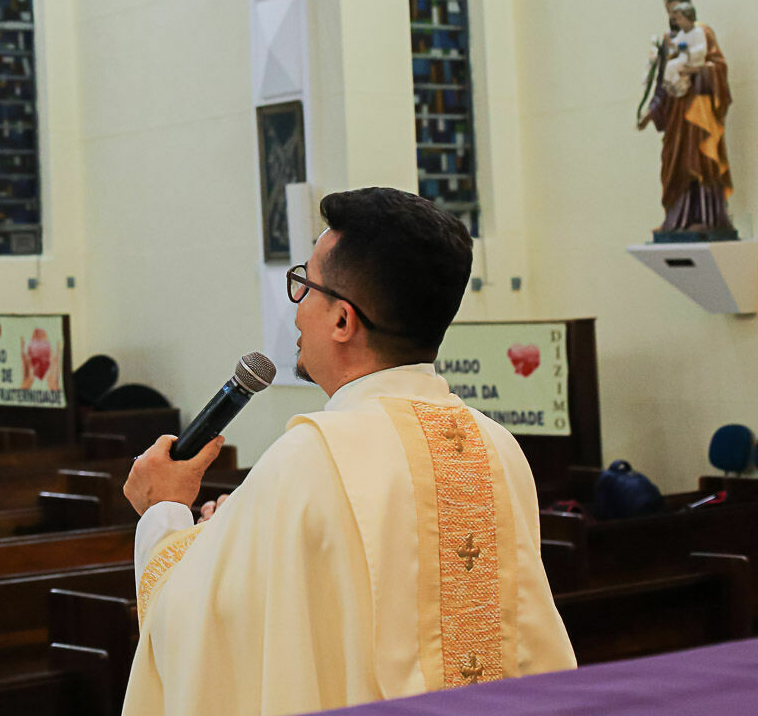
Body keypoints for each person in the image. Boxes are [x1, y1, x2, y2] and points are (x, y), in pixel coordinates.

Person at [119, 187, 575, 716]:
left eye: (304, 286)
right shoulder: (494, 446)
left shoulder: (307, 460)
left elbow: (190, 631)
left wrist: (163, 512)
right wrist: (238, 534)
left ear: (342, 321)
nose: (295, 312)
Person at [637, 0, 735, 236]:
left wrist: (695, 72)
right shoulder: (668, 41)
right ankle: (676, 218)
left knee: (700, 160)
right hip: (676, 114)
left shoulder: (702, 32)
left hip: (698, 108)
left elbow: (717, 67)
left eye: (675, 10)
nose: (671, 16)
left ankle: (708, 217)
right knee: (673, 162)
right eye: (668, 11)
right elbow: (661, 82)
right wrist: (650, 112)